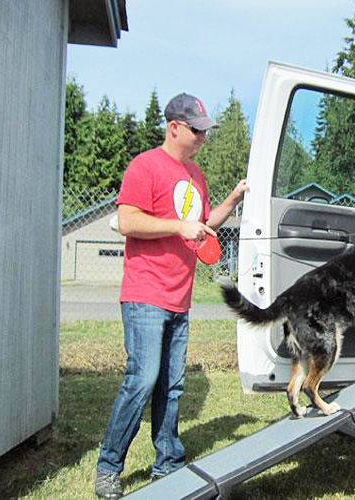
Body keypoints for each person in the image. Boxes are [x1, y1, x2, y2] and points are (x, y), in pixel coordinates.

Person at [94, 93, 248, 499]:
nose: (202, 137)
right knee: (143, 379)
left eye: (205, 131)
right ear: (174, 127)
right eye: (196, 129)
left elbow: (202, 225)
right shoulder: (145, 166)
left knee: (172, 386)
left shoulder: (196, 175)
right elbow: (127, 220)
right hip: (145, 292)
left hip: (180, 298)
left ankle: (167, 463)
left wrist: (233, 198)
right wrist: (178, 227)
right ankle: (109, 466)